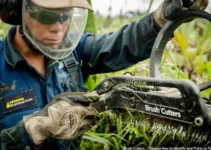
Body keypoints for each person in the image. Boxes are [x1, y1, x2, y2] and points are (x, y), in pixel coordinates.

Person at [0, 0, 208, 149]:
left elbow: (117, 45)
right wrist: (32, 130)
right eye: (47, 16)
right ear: (17, 10)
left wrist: (159, 21)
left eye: (65, 17)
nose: (59, 29)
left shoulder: (75, 52)